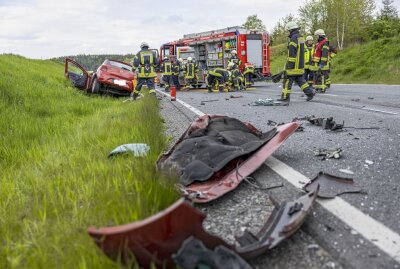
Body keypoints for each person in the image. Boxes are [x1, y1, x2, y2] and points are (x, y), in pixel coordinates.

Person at [279, 21, 315, 103]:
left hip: (294, 65)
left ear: (290, 30)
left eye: (288, 31)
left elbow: (292, 53)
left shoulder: (293, 38)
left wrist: (289, 65)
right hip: (300, 65)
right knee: (301, 81)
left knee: (287, 80)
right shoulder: (301, 37)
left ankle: (285, 97)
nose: (288, 32)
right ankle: (310, 93)